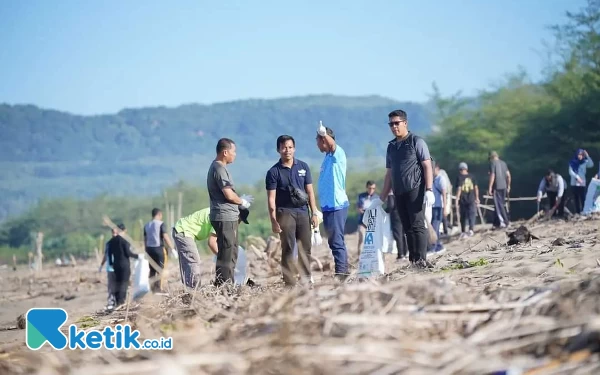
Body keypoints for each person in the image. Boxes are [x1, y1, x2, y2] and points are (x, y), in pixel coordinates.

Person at [380, 109, 434, 268]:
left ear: (405, 123)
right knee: (407, 227)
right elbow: (389, 174)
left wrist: (429, 190)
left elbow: (427, 166)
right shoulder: (391, 147)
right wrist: (381, 198)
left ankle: (422, 260)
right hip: (398, 192)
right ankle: (413, 261)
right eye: (391, 124)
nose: (394, 127)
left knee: (417, 225)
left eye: (397, 123)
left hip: (415, 188)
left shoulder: (416, 141)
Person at [266, 135, 319, 287]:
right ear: (278, 150)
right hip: (285, 213)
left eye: (290, 147)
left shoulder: (303, 167)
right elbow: (271, 199)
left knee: (305, 248)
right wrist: (274, 220)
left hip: (303, 212)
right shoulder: (273, 172)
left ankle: (306, 279)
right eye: (284, 147)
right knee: (288, 248)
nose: (287, 150)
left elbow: (310, 192)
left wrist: (314, 212)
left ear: (294, 148)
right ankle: (289, 283)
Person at [207, 138, 253, 286]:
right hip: (224, 216)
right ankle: (224, 288)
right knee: (227, 254)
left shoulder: (220, 168)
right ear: (225, 152)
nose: (235, 155)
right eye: (234, 152)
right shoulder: (219, 169)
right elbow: (228, 194)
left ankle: (226, 285)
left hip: (228, 216)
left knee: (231, 252)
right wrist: (242, 201)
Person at [172, 207, 250, 289]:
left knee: (189, 263)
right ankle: (193, 293)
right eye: (239, 220)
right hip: (184, 230)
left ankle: (189, 290)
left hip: (181, 229)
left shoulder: (222, 213)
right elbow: (212, 243)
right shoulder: (221, 219)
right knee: (193, 261)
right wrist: (225, 259)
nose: (238, 223)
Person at [316, 122, 350, 280]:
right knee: (333, 241)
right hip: (328, 206)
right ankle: (341, 269)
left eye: (318, 140)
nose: (317, 144)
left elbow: (333, 145)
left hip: (337, 204)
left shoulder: (338, 154)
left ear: (323, 140)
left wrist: (324, 134)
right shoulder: (327, 158)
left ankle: (342, 273)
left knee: (337, 240)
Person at [106, 224, 140, 307]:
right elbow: (128, 253)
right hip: (124, 265)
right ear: (124, 230)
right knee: (124, 283)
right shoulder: (125, 240)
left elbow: (109, 254)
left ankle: (117, 301)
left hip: (116, 265)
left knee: (117, 283)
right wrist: (138, 256)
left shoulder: (111, 241)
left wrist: (111, 263)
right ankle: (122, 302)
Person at [144, 208, 176, 293]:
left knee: (152, 270)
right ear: (159, 214)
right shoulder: (161, 224)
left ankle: (152, 288)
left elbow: (145, 239)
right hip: (158, 248)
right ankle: (159, 288)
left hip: (149, 249)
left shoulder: (147, 225)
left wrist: (145, 250)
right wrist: (172, 248)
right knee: (160, 269)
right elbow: (165, 236)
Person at [455, 162, 480, 239]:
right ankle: (471, 230)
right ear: (466, 169)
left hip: (463, 200)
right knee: (471, 215)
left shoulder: (459, 177)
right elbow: (476, 188)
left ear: (460, 169)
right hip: (471, 199)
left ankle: (463, 231)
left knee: (463, 216)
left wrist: (457, 199)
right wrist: (477, 198)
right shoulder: (472, 176)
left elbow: (459, 188)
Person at [488, 151, 511, 229]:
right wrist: (508, 185)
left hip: (497, 187)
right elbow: (508, 175)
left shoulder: (493, 163)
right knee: (500, 204)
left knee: (498, 205)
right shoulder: (504, 163)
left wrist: (490, 187)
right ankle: (496, 223)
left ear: (491, 157)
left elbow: (493, 175)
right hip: (504, 186)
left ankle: (505, 221)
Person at [356, 181, 379, 256]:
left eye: (373, 188)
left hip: (372, 222)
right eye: (370, 188)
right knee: (362, 238)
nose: (371, 190)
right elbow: (358, 208)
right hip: (362, 221)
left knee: (372, 240)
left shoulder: (377, 197)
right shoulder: (361, 196)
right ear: (367, 188)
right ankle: (359, 256)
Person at [384, 192, 408, 261]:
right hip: (404, 214)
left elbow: (390, 206)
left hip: (396, 216)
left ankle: (400, 254)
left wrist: (385, 211)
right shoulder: (402, 191)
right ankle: (405, 252)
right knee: (403, 235)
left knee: (398, 235)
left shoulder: (391, 193)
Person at [568, 148, 594, 214]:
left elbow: (591, 165)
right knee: (576, 198)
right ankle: (577, 212)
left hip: (582, 183)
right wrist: (577, 177)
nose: (580, 156)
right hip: (574, 183)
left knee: (583, 198)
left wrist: (587, 156)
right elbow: (570, 172)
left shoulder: (585, 162)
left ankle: (584, 211)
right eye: (579, 155)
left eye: (581, 155)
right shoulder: (572, 162)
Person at [99, 227, 118, 310]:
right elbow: (106, 255)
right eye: (113, 232)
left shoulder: (120, 242)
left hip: (118, 268)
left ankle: (118, 301)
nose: (114, 234)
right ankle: (111, 302)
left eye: (116, 232)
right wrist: (101, 265)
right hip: (110, 268)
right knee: (111, 286)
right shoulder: (108, 243)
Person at [430, 161, 447, 254]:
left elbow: (444, 193)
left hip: (438, 206)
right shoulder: (432, 179)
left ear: (437, 169)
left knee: (435, 227)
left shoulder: (441, 179)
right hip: (432, 207)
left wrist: (445, 207)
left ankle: (435, 246)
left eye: (433, 169)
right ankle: (438, 246)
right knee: (433, 227)